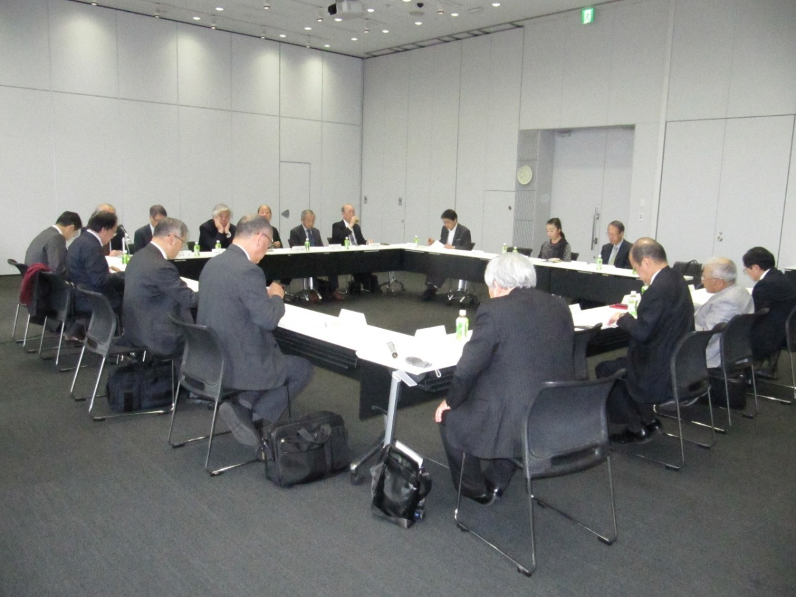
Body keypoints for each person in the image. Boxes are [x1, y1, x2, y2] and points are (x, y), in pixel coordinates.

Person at [434, 252, 575, 504]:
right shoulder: (559, 304)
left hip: (518, 414)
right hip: (555, 409)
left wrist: (450, 401)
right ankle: (499, 479)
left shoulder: (494, 310)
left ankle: (474, 489)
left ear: (497, 284)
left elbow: (467, 368)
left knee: (449, 416)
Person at [197, 215, 313, 448]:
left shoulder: (213, 263)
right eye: (268, 245)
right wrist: (277, 297)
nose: (266, 251)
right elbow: (268, 320)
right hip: (238, 361)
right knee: (302, 368)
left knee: (274, 357)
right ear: (259, 237)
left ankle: (244, 403)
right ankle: (255, 417)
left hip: (211, 358)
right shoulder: (249, 270)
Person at [595, 238, 694, 444]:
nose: (638, 275)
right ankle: (649, 420)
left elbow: (642, 333)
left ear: (646, 262)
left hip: (657, 366)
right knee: (623, 364)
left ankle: (636, 428)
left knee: (606, 369)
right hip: (676, 358)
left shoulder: (657, 290)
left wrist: (622, 318)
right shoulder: (677, 278)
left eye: (636, 268)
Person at [121, 218, 197, 358]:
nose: (181, 248)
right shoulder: (161, 266)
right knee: (206, 337)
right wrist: (211, 291)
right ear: (172, 238)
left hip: (136, 329)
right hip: (158, 337)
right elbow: (190, 300)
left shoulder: (138, 257)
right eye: (183, 242)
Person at [742, 247, 796, 379]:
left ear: (756, 267)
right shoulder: (780, 277)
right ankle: (766, 367)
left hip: (771, 334)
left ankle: (742, 372)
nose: (747, 272)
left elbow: (753, 313)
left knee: (732, 329)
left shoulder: (765, 285)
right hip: (786, 329)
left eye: (747, 269)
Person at [694, 258, 753, 369]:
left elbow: (708, 335)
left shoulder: (726, 302)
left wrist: (684, 324)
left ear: (719, 282)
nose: (702, 281)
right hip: (735, 350)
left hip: (714, 355)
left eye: (704, 277)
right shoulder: (740, 291)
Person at [67, 210, 125, 315]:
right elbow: (100, 280)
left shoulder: (80, 241)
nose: (113, 236)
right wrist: (123, 275)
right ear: (104, 230)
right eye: (113, 232)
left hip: (80, 294)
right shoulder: (92, 246)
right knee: (128, 298)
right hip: (92, 299)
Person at [288, 210, 345, 302]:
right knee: (312, 263)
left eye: (313, 221)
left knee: (332, 263)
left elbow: (320, 247)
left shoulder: (316, 231)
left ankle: (333, 289)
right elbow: (295, 248)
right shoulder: (295, 232)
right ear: (302, 220)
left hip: (317, 258)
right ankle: (312, 291)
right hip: (303, 260)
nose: (311, 223)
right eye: (308, 220)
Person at [421, 209, 473, 301]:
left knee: (442, 264)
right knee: (432, 261)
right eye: (444, 222)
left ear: (455, 220)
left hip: (457, 260)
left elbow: (467, 247)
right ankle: (430, 286)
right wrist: (434, 243)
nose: (446, 225)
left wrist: (453, 247)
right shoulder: (444, 229)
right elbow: (442, 242)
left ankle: (433, 288)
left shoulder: (464, 231)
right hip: (444, 256)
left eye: (448, 222)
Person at [330, 204, 379, 294]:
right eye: (350, 212)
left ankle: (365, 283)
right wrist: (350, 226)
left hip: (357, 254)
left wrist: (367, 242)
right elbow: (341, 237)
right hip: (343, 256)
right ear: (343, 214)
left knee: (370, 257)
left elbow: (361, 241)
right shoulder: (337, 226)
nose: (352, 214)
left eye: (353, 212)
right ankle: (356, 283)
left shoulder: (356, 227)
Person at [24, 211, 82, 277]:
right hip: (43, 279)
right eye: (75, 233)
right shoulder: (57, 237)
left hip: (34, 277)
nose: (73, 236)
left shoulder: (47, 233)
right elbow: (56, 268)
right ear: (71, 228)